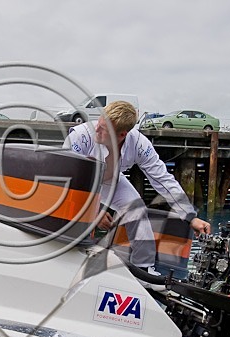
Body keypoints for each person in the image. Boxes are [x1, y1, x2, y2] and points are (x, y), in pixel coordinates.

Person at [65, 100, 210, 275]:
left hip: (112, 179)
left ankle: (144, 270)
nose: (97, 129)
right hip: (80, 182)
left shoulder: (140, 144)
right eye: (99, 124)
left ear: (121, 135)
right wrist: (94, 210)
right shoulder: (81, 136)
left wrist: (190, 217)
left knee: (138, 211)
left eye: (103, 129)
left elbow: (163, 180)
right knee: (82, 219)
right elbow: (66, 177)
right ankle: (75, 263)